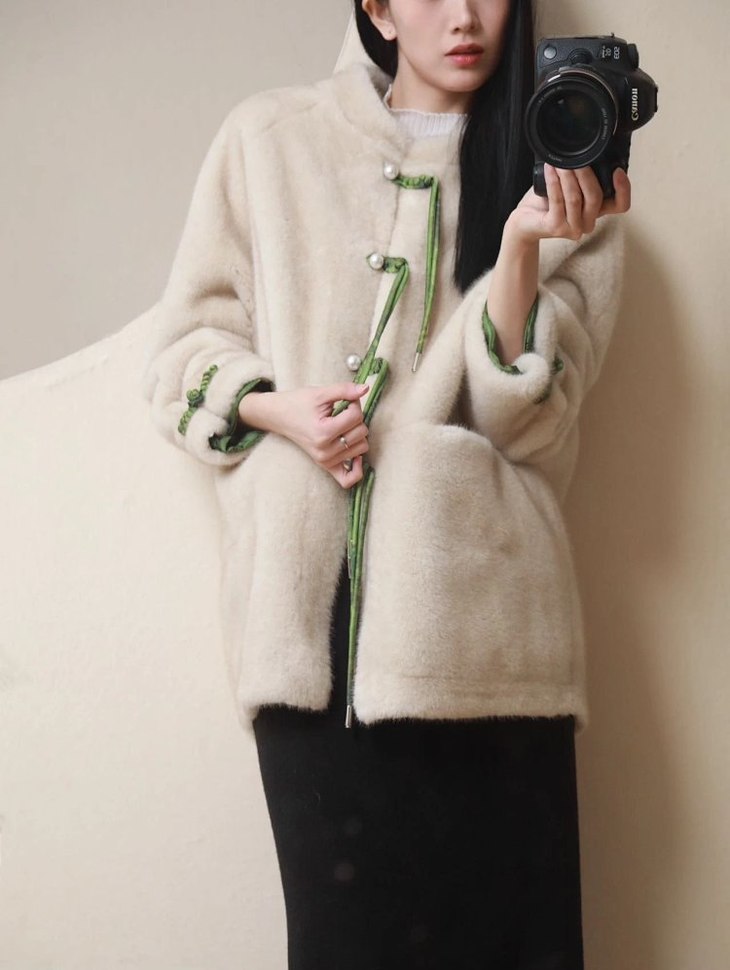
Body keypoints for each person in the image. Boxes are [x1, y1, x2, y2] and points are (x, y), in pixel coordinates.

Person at [142, 0, 631, 966]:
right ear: (376, 5)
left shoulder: (571, 168)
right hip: (310, 638)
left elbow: (527, 420)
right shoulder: (269, 141)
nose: (465, 16)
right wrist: (276, 408)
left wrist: (522, 247)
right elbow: (184, 352)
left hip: (496, 641)